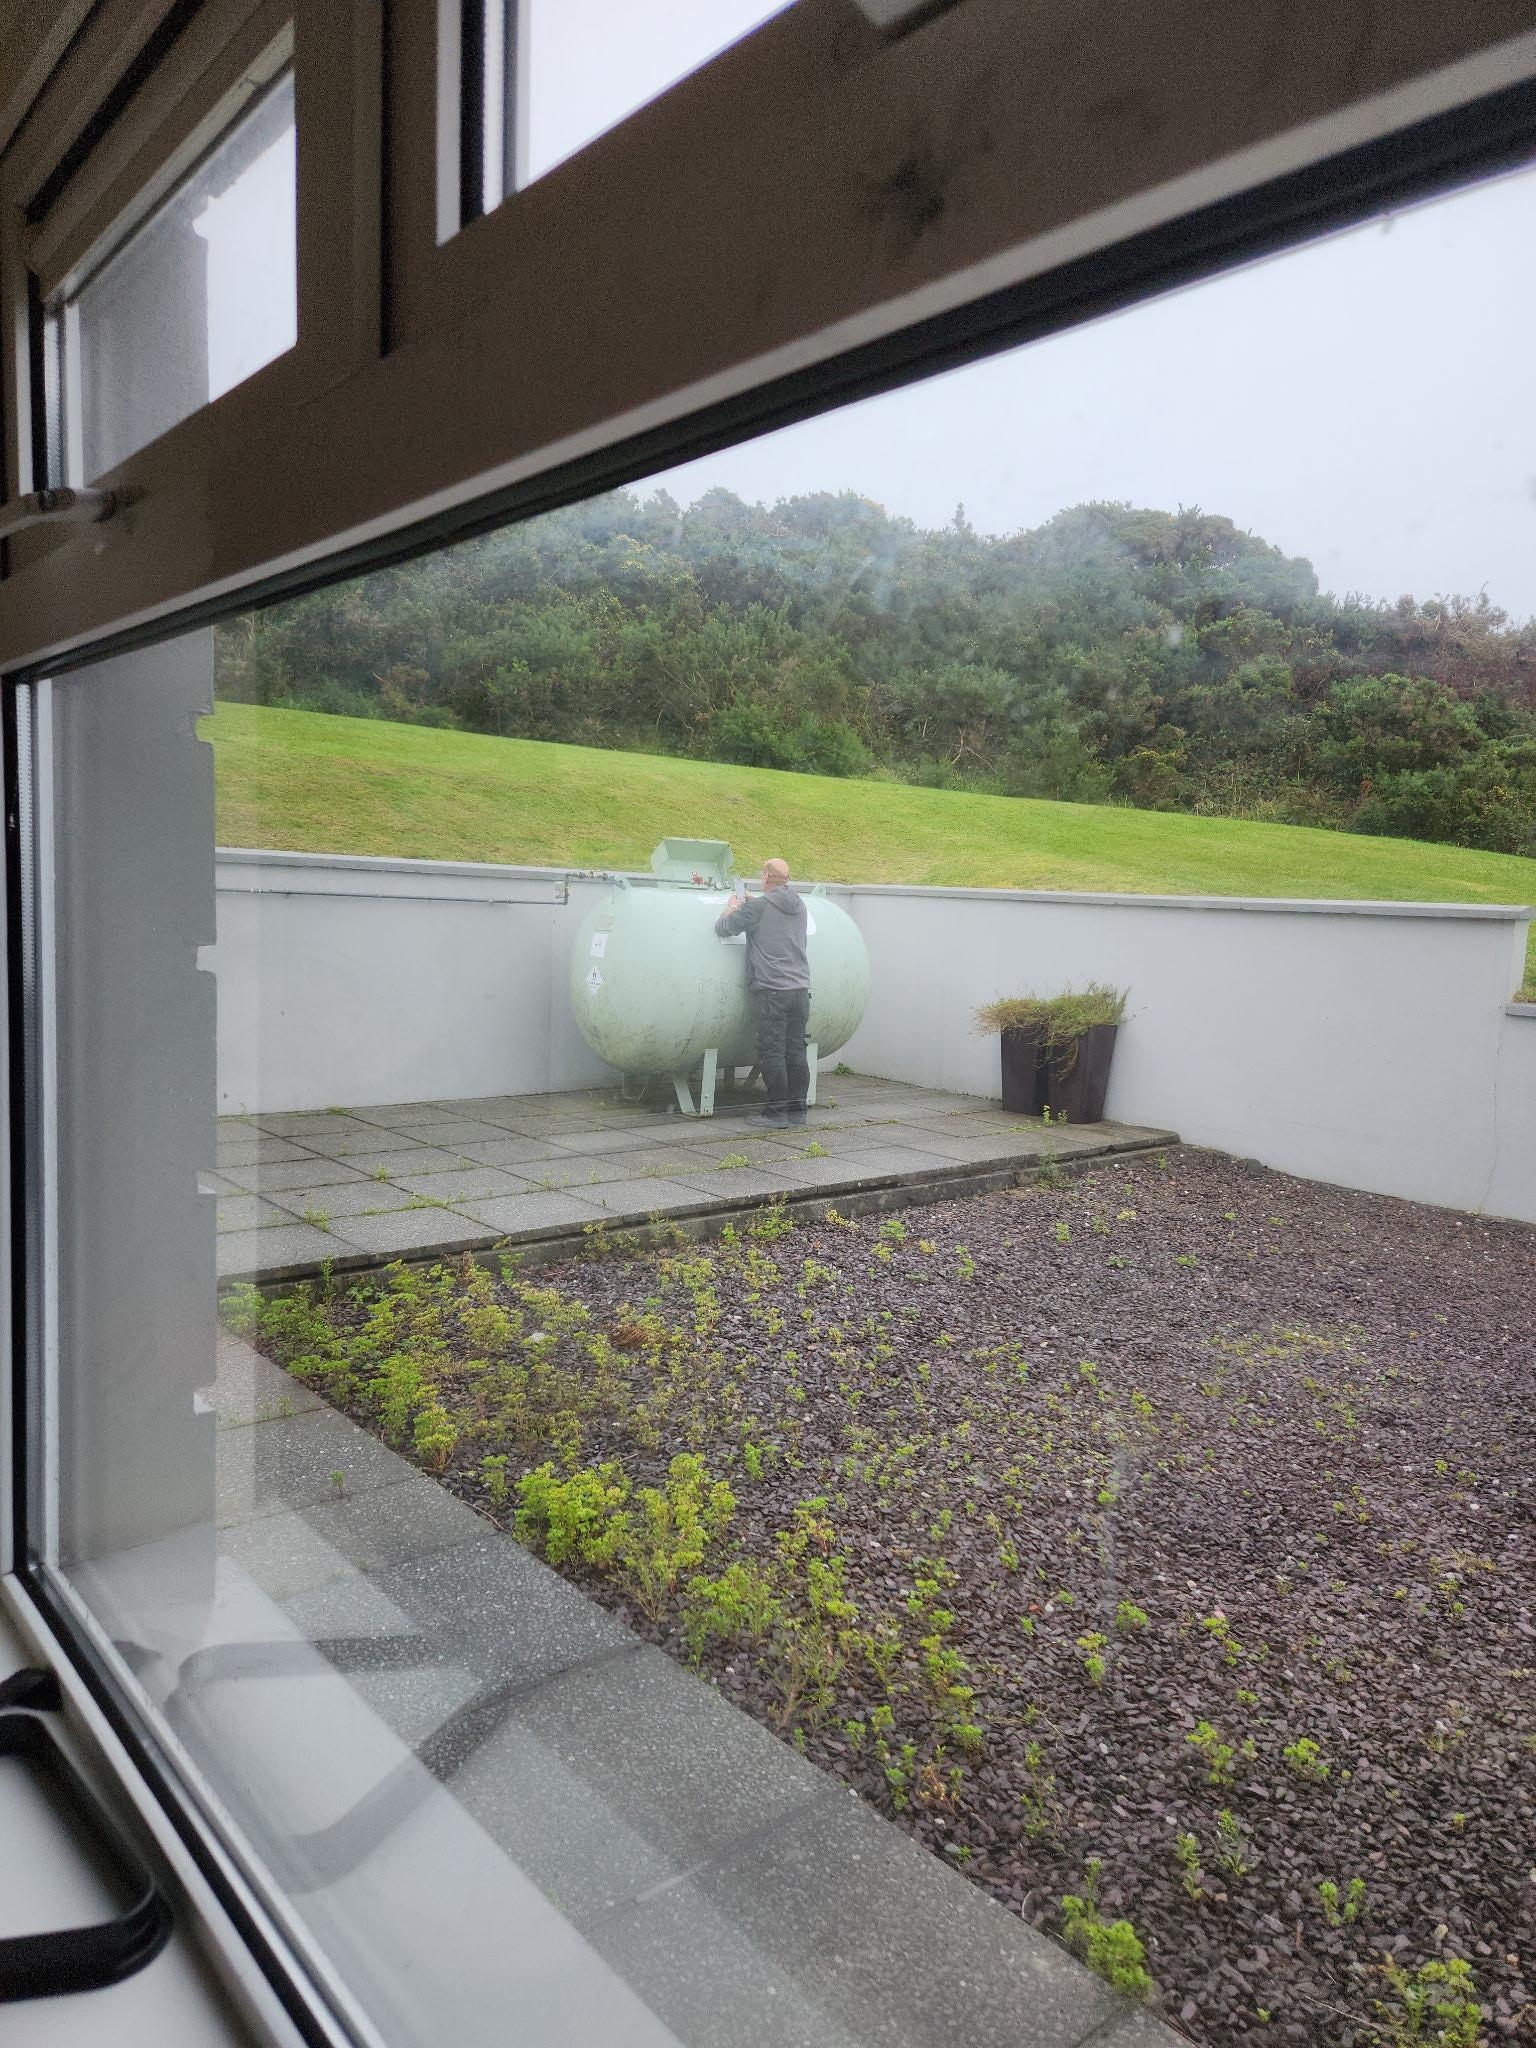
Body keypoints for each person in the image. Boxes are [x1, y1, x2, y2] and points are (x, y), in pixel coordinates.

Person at [714, 857, 811, 1128]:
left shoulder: (758, 907)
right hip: (800, 990)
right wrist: (757, 903)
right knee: (796, 1051)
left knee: (773, 1052)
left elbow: (725, 928)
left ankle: (776, 1114)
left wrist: (730, 909)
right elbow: (773, 913)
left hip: (772, 992)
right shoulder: (799, 904)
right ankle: (797, 1112)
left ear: (766, 877)